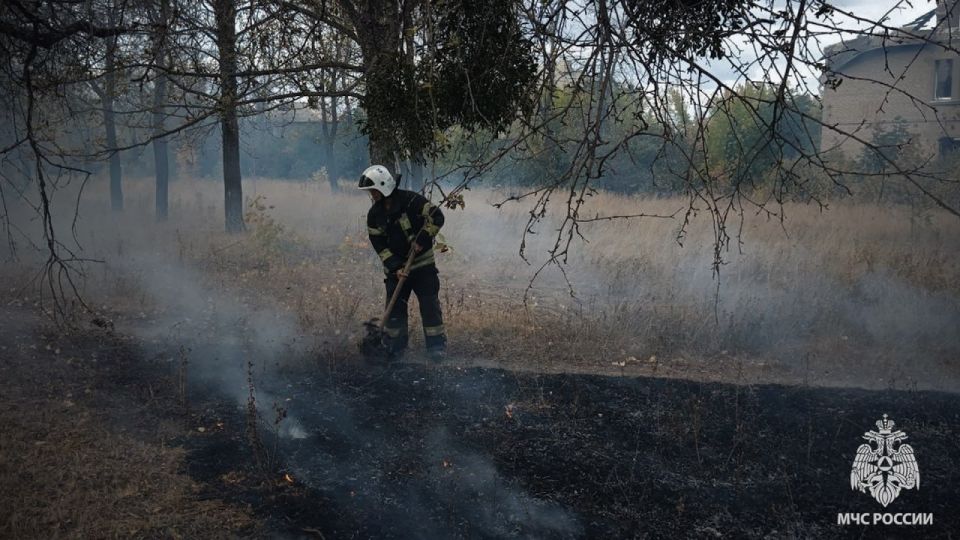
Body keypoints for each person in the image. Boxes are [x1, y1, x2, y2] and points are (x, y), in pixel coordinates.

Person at [359, 164, 447, 360]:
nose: (372, 195)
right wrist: (395, 268)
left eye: (373, 190)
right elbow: (379, 245)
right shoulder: (374, 215)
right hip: (397, 271)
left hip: (423, 266)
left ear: (383, 187)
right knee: (395, 311)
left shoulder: (412, 200)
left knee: (429, 306)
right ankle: (395, 349)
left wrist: (422, 239)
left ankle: (436, 348)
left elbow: (437, 217)